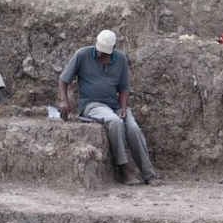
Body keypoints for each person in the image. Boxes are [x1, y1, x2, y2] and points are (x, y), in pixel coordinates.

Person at [58, 30, 162, 186]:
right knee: (115, 122)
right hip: (91, 104)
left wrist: (123, 107)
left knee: (133, 127)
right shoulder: (83, 55)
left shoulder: (120, 59)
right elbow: (63, 79)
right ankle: (123, 168)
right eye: (99, 50)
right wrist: (64, 101)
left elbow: (124, 88)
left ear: (113, 49)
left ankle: (148, 174)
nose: (100, 54)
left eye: (105, 52)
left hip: (113, 104)